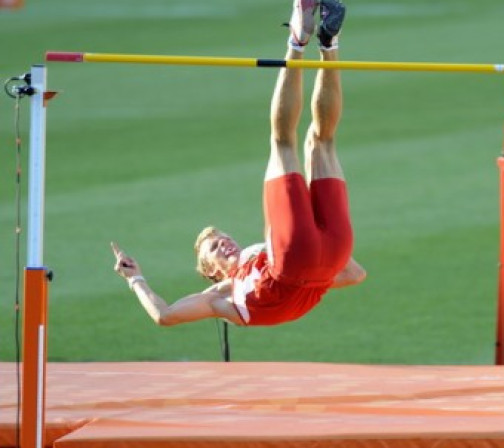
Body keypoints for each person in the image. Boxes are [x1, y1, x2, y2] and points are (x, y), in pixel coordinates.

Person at [111, 0, 366, 327]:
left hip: (326, 255)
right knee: (282, 142)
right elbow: (165, 315)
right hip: (301, 260)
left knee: (321, 141)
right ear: (210, 270)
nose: (225, 242)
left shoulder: (254, 257)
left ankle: (329, 43)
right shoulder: (221, 297)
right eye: (215, 248)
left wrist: (317, 273)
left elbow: (356, 274)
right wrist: (136, 279)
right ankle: (297, 44)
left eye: (223, 237)